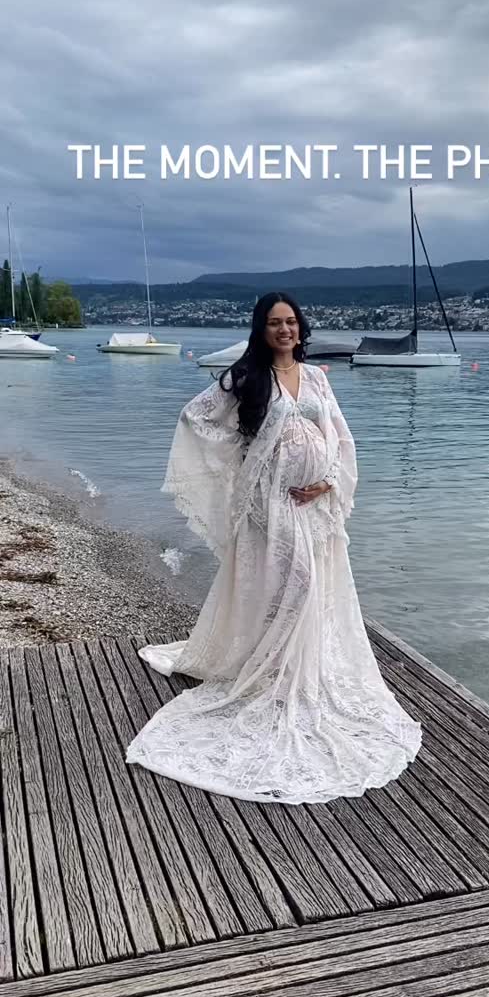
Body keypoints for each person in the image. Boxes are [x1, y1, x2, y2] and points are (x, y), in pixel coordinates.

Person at [126, 292, 422, 804]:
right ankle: (273, 675)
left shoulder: (318, 378)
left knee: (305, 582)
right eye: (274, 323)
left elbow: (339, 438)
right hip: (268, 502)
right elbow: (195, 418)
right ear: (261, 330)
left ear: (300, 328)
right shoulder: (244, 378)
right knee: (296, 581)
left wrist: (328, 479)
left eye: (290, 322)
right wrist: (241, 461)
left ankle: (289, 668)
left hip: (312, 503)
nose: (284, 330)